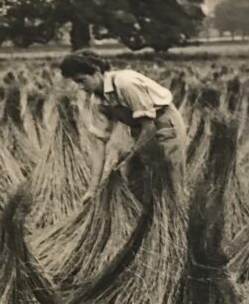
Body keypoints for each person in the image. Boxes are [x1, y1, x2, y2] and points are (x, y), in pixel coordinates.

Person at [59, 52, 187, 203]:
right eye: (76, 82)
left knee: (170, 175)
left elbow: (149, 127)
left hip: (164, 123)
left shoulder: (125, 83)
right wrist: (92, 190)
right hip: (141, 130)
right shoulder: (98, 101)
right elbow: (99, 146)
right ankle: (146, 218)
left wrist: (130, 158)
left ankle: (178, 214)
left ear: (96, 71)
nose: (80, 87)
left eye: (82, 80)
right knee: (137, 180)